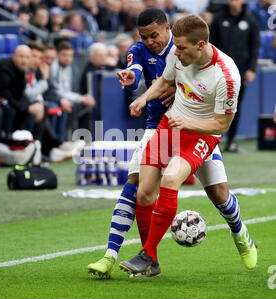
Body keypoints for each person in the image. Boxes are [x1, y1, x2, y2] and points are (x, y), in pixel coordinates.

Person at [88, 9, 256, 279]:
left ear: (200, 45)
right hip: (170, 125)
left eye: (180, 48)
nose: (174, 54)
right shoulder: (177, 55)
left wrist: (186, 124)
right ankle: (148, 258)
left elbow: (221, 125)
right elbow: (165, 81)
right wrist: (143, 99)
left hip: (201, 133)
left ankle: (238, 232)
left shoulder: (226, 76)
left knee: (216, 194)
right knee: (143, 192)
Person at [210, 0, 260, 152]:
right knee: (213, 105)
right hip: (218, 71)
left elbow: (255, 47)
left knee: (234, 106)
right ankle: (212, 141)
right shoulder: (218, 19)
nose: (234, 2)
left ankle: (230, 141)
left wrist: (251, 69)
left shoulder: (251, 21)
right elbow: (211, 44)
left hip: (240, 72)